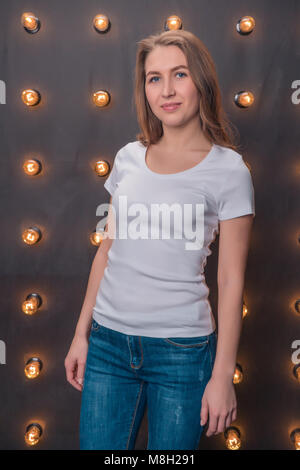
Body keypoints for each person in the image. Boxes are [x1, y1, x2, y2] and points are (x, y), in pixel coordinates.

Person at [64, 29, 255, 450]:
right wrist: (82, 335)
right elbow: (107, 250)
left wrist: (222, 376)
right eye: (154, 78)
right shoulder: (129, 157)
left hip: (182, 353)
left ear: (201, 81)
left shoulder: (229, 170)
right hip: (108, 346)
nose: (166, 90)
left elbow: (230, 280)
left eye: (179, 74)